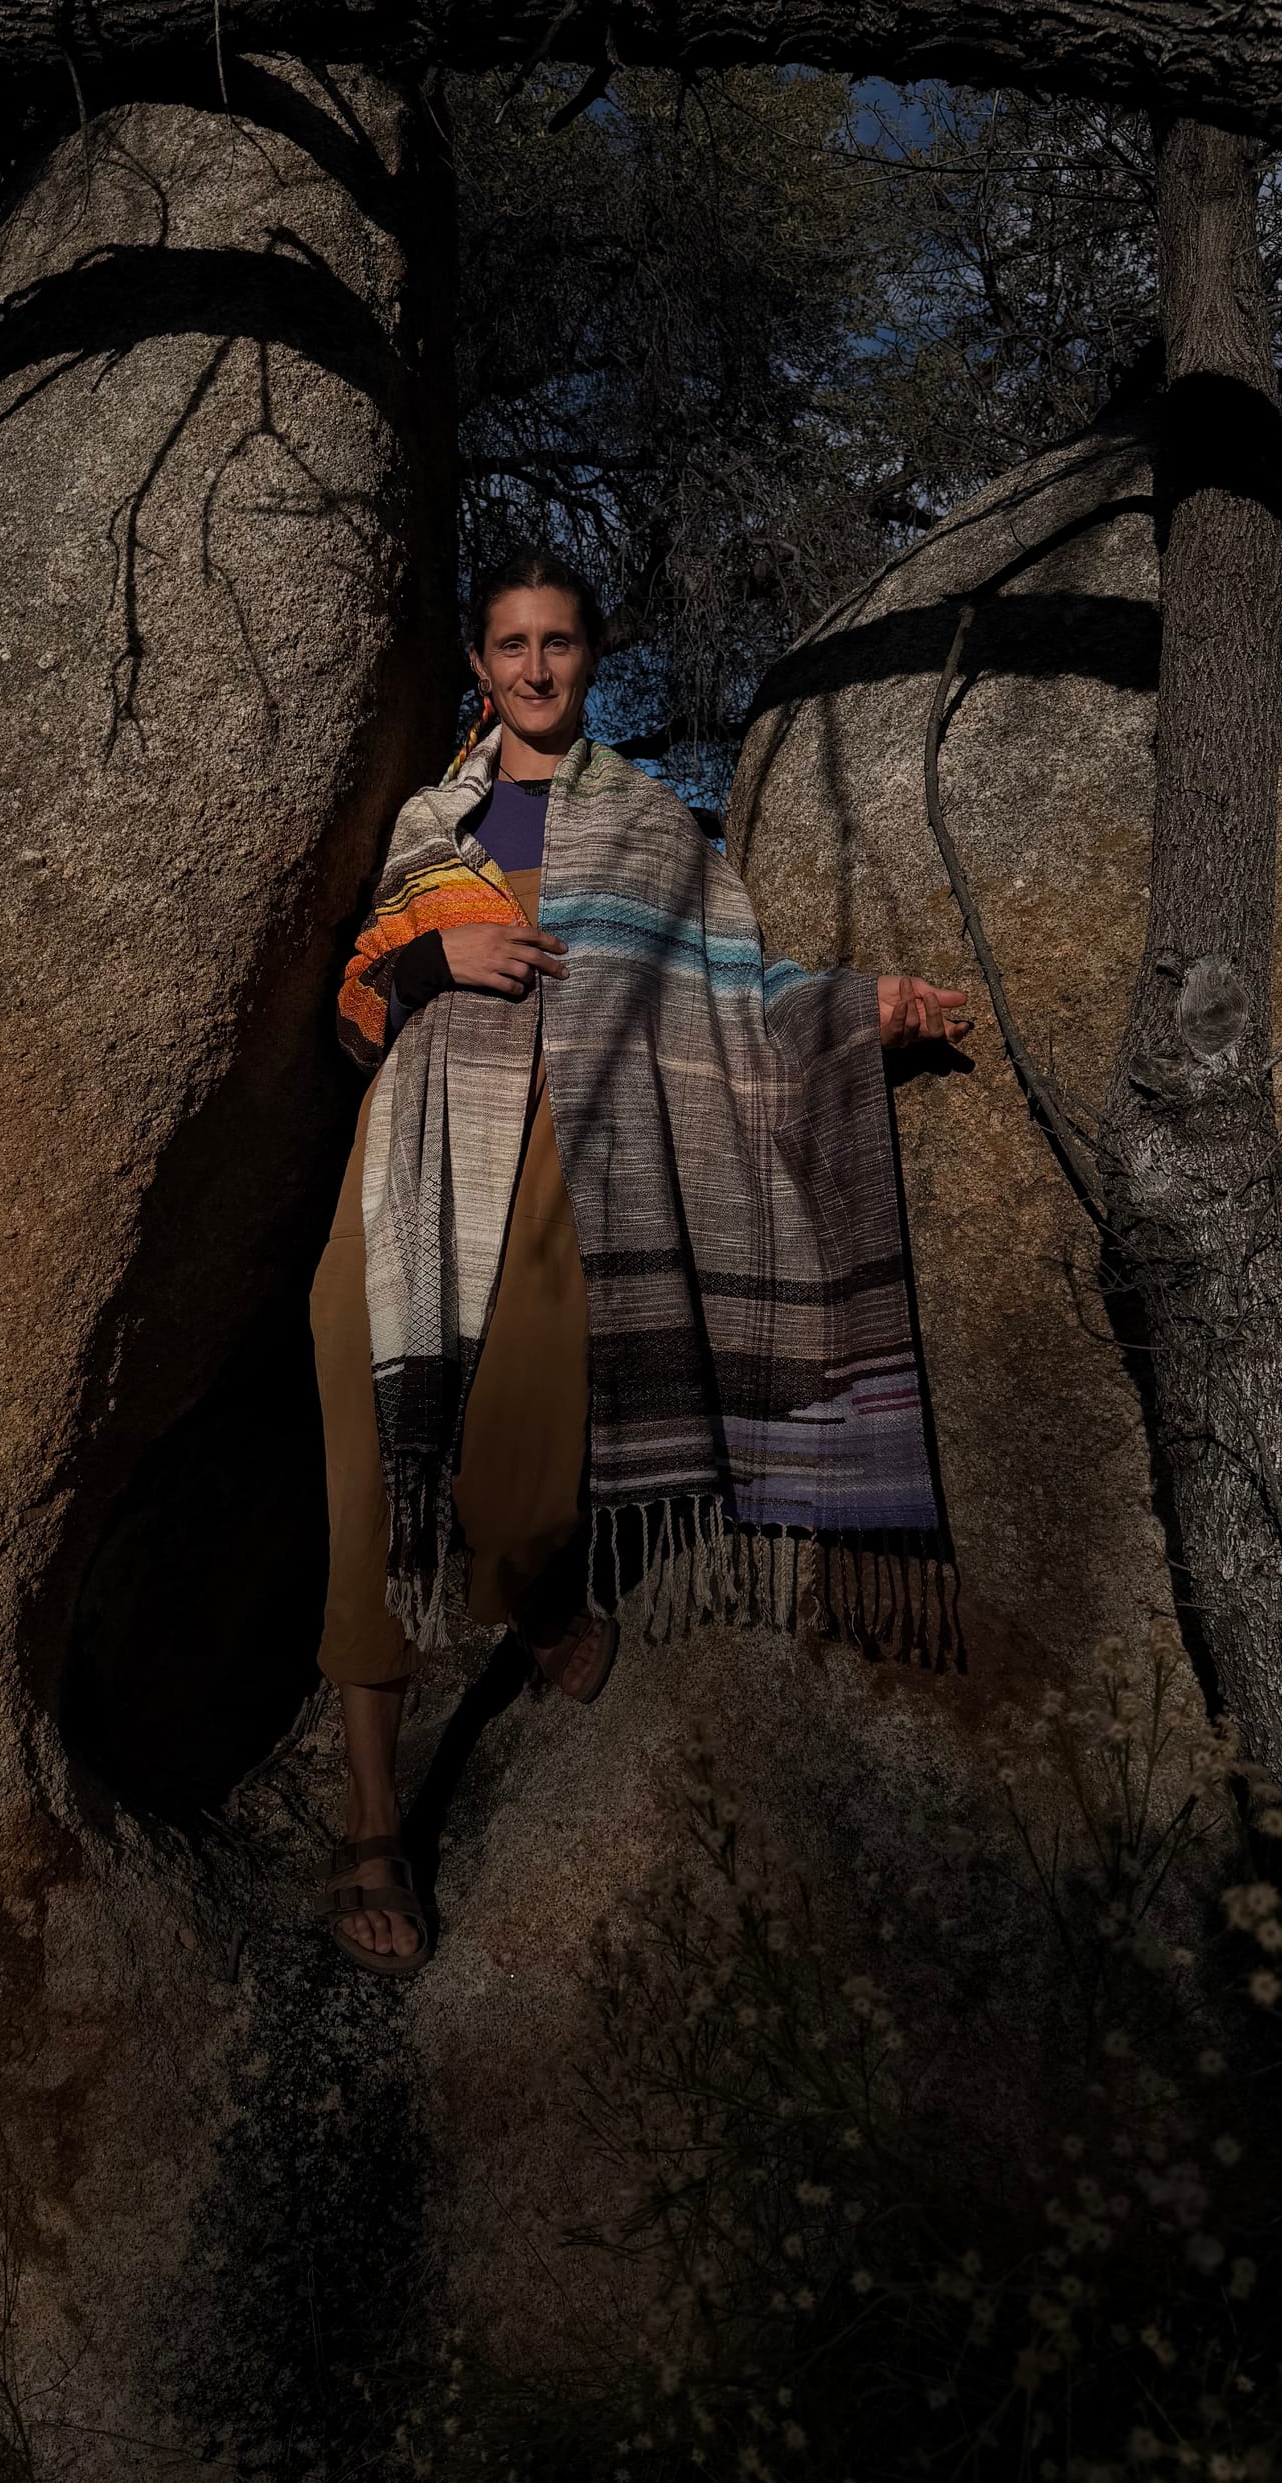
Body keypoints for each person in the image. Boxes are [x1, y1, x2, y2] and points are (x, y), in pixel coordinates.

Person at [312, 549, 969, 1972]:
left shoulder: (661, 826)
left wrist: (868, 1008)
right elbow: (358, 1003)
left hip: (577, 1159)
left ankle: (537, 1585)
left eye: (558, 643)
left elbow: (739, 991)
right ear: (478, 667)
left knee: (534, 1434)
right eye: (509, 644)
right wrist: (444, 962)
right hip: (417, 1159)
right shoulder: (440, 815)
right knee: (373, 1456)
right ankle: (371, 1820)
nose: (535, 667)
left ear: (590, 659)